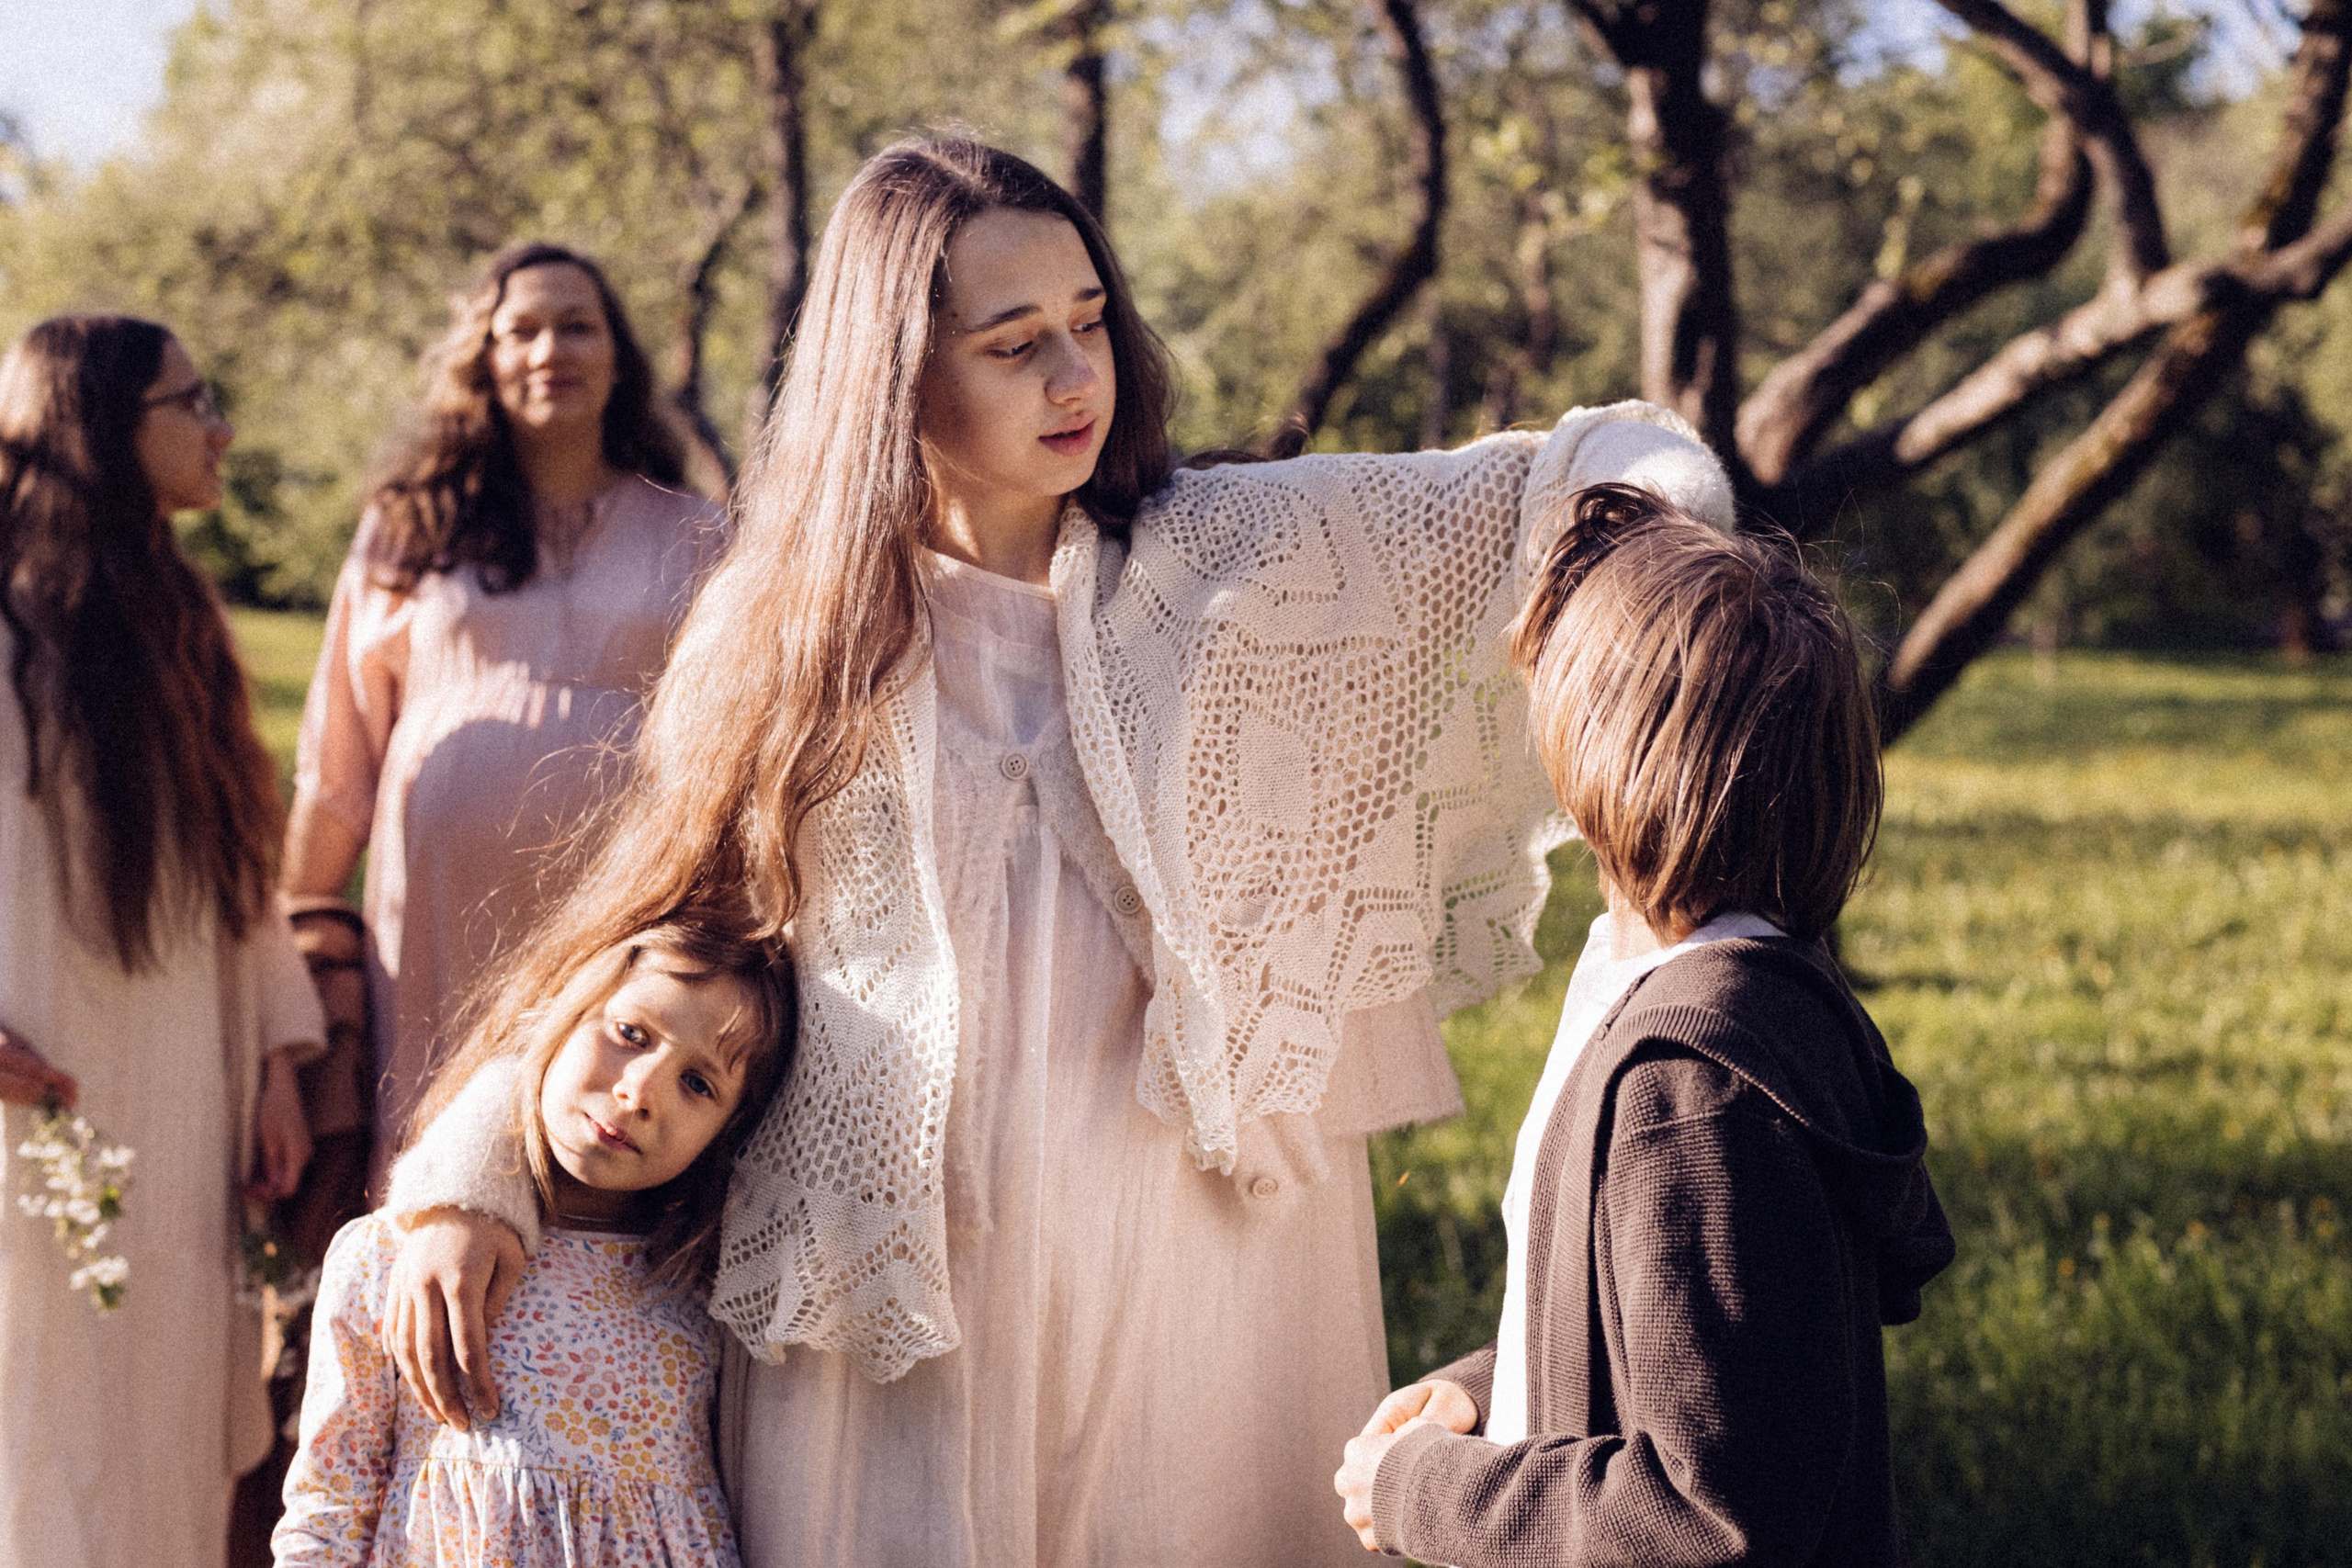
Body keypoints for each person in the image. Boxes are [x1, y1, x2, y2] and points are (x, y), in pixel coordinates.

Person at [382, 138, 1736, 1566]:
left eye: (1090, 320)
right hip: (893, 1332)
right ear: (894, 373)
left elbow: (1564, 476)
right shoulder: (781, 636)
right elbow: (643, 938)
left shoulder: (1243, 558)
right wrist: (475, 1173)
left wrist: (1681, 543)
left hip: (1207, 1282)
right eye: (1014, 343)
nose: (1074, 374)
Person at [1334, 485, 1956, 1565]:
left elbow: (1708, 1512)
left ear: (1601, 766)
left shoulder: (1693, 1083)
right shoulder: (1732, 994)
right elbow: (1705, 1358)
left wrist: (1426, 1493)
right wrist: (1485, 1397)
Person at [280, 241, 724, 1191]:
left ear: (619, 356)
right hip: (437, 911)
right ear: (482, 357)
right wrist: (300, 937)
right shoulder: (412, 525)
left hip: (623, 895)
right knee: (434, 1140)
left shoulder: (697, 531)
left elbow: (736, 733)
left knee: (597, 1121)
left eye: (577, 325)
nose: (548, 350)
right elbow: (339, 748)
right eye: (520, 329)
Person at [0, 314, 324, 1568]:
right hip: (33, 1097)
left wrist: (278, 1054)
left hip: (180, 1087)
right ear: (100, 427)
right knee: (38, 1406)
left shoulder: (180, 621)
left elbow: (236, 868)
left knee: (163, 1414)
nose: (220, 426)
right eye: (193, 401)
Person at [271, 897, 793, 1566]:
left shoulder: (707, 1288)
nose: (639, 1090)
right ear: (561, 1013)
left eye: (697, 1082)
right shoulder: (386, 1259)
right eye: (631, 1033)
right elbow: (328, 1516)